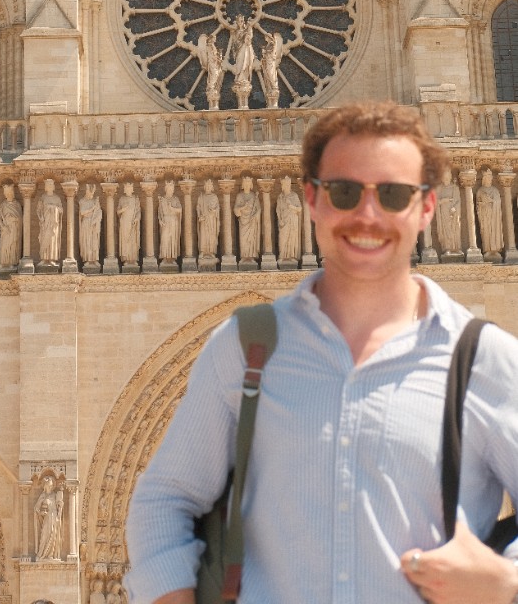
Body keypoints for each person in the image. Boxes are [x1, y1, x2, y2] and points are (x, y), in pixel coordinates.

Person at [125, 101, 518, 604]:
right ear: (311, 199)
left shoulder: (483, 359)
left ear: (427, 208)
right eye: (344, 191)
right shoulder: (246, 348)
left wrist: (506, 582)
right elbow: (164, 499)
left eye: (394, 194)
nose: (368, 214)